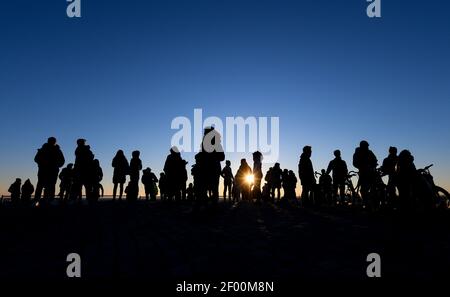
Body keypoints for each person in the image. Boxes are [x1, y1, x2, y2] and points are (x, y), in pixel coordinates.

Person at [34, 137, 65, 202]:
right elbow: (36, 159)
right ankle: (37, 199)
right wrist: (42, 164)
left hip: (51, 170)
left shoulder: (57, 150)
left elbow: (62, 161)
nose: (52, 142)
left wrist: (57, 165)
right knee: (41, 184)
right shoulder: (43, 149)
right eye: (51, 141)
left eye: (53, 141)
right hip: (44, 170)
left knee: (50, 185)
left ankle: (49, 199)